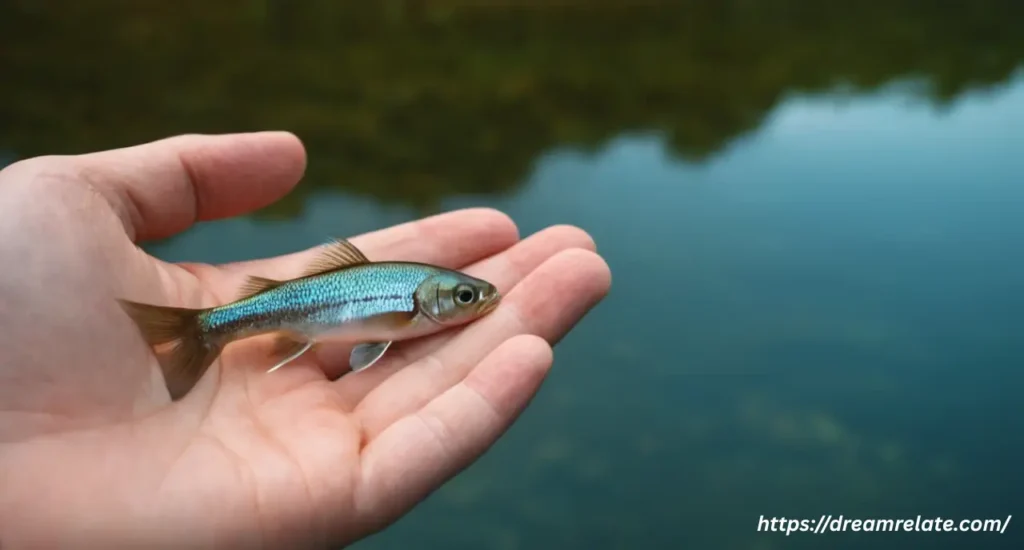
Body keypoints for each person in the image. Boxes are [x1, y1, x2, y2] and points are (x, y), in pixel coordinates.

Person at [0, 132, 611, 548]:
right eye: (466, 297)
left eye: (469, 296)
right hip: (271, 314)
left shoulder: (409, 298)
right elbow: (374, 340)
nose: (475, 302)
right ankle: (199, 333)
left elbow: (371, 342)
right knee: (224, 324)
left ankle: (198, 336)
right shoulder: (408, 302)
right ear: (426, 302)